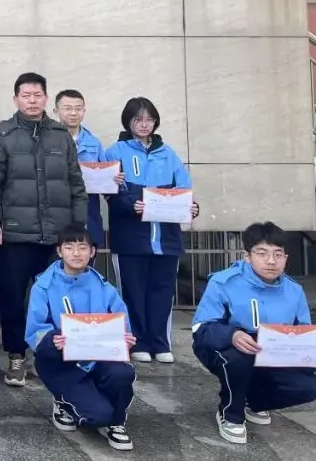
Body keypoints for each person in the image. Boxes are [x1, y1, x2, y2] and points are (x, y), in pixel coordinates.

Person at [0, 72, 87, 388]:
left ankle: (51, 355)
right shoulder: (2, 135)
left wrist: (77, 228)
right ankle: (16, 356)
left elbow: (76, 183)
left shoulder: (61, 135)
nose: (32, 100)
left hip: (57, 234)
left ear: (46, 98)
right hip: (15, 233)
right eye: (25, 95)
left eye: (37, 95)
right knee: (13, 298)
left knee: (56, 296)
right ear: (16, 99)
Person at [192, 221, 316, 445]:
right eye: (262, 253)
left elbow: (303, 334)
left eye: (278, 254)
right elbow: (201, 328)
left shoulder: (294, 291)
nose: (271, 261)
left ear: (286, 258)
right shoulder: (224, 282)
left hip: (273, 351)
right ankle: (231, 413)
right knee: (239, 360)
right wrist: (232, 335)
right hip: (228, 346)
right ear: (247, 256)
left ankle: (255, 400)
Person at [25, 223, 136, 452]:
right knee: (97, 415)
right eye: (69, 247)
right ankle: (63, 401)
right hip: (61, 361)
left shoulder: (104, 287)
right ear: (59, 251)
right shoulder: (43, 286)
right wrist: (51, 339)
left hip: (99, 357)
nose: (76, 253)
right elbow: (34, 330)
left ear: (92, 251)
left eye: (82, 247)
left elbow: (121, 322)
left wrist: (125, 340)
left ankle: (117, 422)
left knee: (122, 373)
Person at [105, 97, 199, 365]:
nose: (144, 124)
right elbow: (110, 192)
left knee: (162, 291)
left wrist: (192, 207)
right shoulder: (115, 151)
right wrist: (129, 203)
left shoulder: (168, 153)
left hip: (166, 239)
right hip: (131, 239)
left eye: (149, 119)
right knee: (132, 292)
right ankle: (139, 342)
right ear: (128, 122)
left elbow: (184, 189)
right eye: (138, 119)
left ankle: (160, 343)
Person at [54, 90, 108, 247]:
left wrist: (113, 179)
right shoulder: (47, 140)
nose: (73, 113)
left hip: (88, 210)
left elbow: (106, 178)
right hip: (56, 209)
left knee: (86, 254)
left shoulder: (94, 142)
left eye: (78, 108)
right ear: (56, 111)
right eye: (67, 108)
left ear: (84, 111)